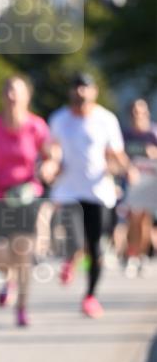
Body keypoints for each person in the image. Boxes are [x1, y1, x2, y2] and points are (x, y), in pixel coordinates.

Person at [49, 73, 137, 318]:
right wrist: (51, 164)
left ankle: (90, 296)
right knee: (74, 235)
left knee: (96, 247)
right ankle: (71, 256)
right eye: (77, 88)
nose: (81, 93)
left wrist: (127, 169)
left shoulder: (105, 120)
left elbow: (116, 152)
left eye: (85, 89)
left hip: (97, 191)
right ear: (71, 92)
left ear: (94, 92)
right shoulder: (59, 119)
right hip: (68, 190)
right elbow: (52, 148)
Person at [0, 75, 58, 326]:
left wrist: (49, 166)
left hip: (26, 194)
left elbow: (51, 154)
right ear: (3, 96)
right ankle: (8, 279)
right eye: (8, 92)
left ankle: (22, 308)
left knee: (23, 252)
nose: (12, 97)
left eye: (17, 92)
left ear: (26, 97)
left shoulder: (36, 126)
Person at [122, 98, 157, 277]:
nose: (138, 115)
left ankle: (141, 255)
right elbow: (118, 155)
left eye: (142, 111)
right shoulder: (126, 134)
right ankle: (132, 255)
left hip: (150, 182)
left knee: (145, 221)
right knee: (133, 219)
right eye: (135, 112)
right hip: (132, 182)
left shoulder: (153, 133)